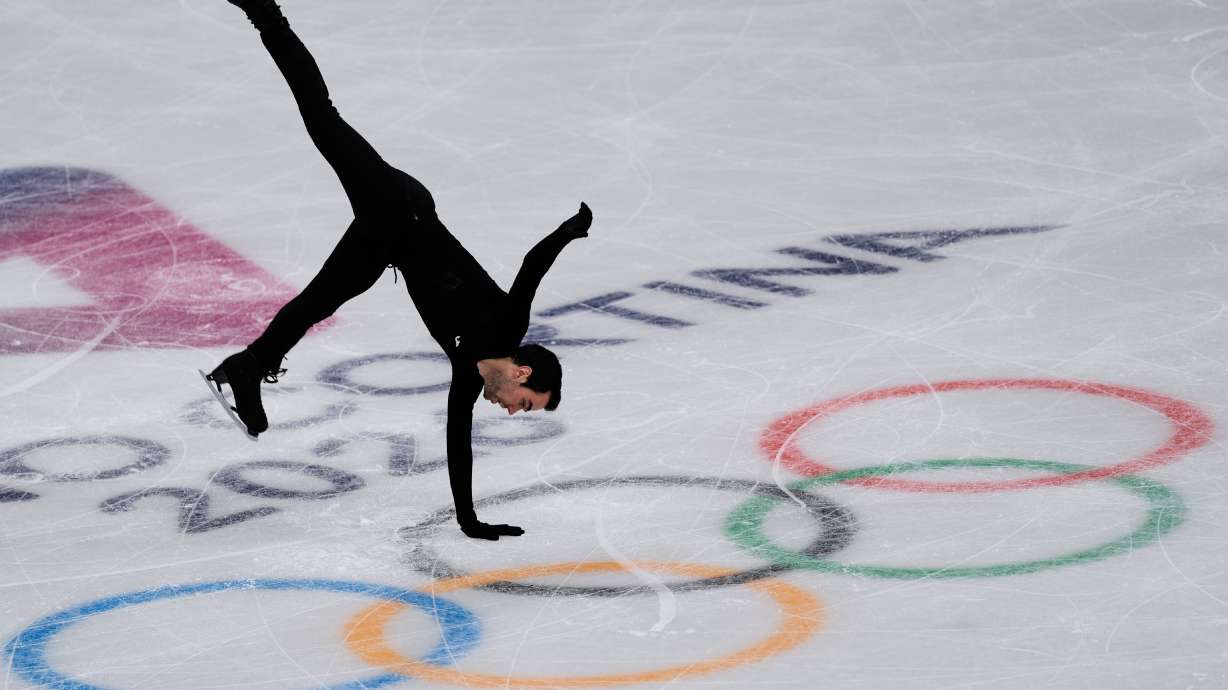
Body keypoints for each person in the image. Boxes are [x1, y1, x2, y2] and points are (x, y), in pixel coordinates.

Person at [203, 0, 591, 541]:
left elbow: (459, 440)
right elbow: (532, 265)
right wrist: (571, 231)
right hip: (400, 208)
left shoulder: (467, 374)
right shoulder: (507, 327)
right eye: (525, 405)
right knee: (322, 117)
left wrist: (468, 520)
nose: (511, 411)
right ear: (523, 373)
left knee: (317, 303)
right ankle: (264, 11)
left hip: (389, 244)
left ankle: (248, 368)